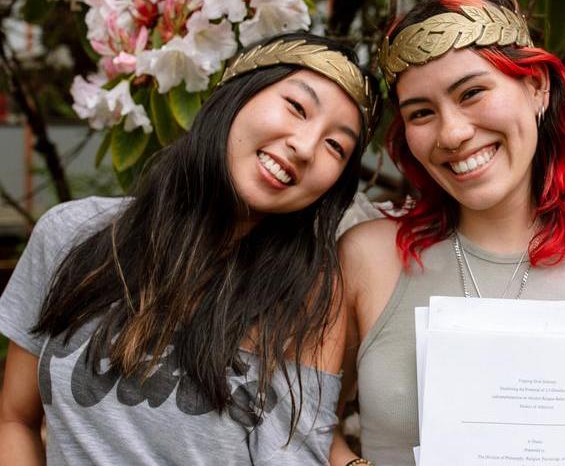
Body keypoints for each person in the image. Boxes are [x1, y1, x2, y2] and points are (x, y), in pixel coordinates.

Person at [330, 0, 565, 466]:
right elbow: (306, 423)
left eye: (472, 93)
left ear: (537, 86)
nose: (452, 133)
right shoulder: (367, 258)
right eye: (421, 113)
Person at [0, 32, 380, 465]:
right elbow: (15, 419)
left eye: (336, 146)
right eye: (296, 107)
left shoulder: (306, 296)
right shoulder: (69, 234)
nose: (305, 147)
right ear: (234, 97)